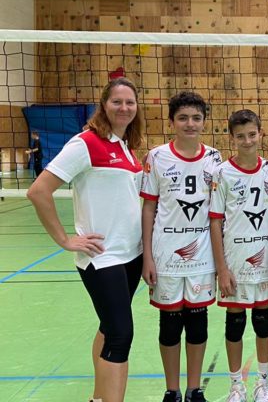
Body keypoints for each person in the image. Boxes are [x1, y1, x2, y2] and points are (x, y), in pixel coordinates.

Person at [26, 77, 145, 402]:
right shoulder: (85, 143)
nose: (124, 107)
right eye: (117, 101)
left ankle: (97, 398)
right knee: (120, 335)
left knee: (108, 327)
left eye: (130, 102)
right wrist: (65, 239)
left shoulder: (125, 146)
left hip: (131, 255)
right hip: (102, 257)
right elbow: (38, 191)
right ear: (103, 105)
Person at [141, 91, 221, 402]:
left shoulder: (214, 158)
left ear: (204, 121)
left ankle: (194, 389)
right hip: (166, 255)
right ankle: (172, 390)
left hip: (202, 255)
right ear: (172, 121)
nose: (190, 124)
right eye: (183, 118)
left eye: (196, 118)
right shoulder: (157, 157)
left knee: (198, 324)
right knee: (170, 325)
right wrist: (148, 257)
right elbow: (149, 208)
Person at [209, 109, 268, 402]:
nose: (247, 141)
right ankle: (236, 385)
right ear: (231, 138)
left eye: (252, 134)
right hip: (235, 260)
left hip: (265, 261)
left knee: (263, 320)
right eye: (240, 136)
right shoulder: (222, 173)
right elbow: (215, 222)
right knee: (235, 323)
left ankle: (263, 382)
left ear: (261, 133)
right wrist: (222, 269)